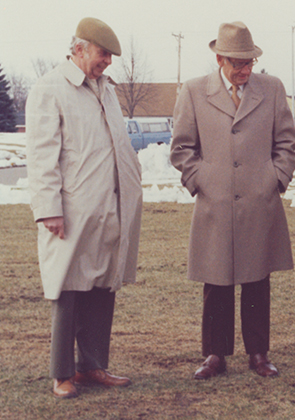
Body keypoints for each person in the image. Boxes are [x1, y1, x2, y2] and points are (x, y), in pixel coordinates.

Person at [170, 21, 295, 380]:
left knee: (258, 278)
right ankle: (215, 354)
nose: (245, 71)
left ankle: (258, 353)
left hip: (261, 202)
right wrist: (202, 180)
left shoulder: (272, 89)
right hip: (215, 203)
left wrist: (275, 179)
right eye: (238, 64)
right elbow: (181, 148)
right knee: (217, 279)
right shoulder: (194, 91)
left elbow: (287, 143)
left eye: (250, 63)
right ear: (219, 58)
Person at [25, 17, 143, 399]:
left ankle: (92, 365)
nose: (107, 61)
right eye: (102, 53)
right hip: (73, 210)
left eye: (109, 56)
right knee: (69, 288)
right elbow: (42, 156)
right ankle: (62, 374)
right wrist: (48, 208)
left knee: (102, 285)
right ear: (79, 49)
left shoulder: (105, 90)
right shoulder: (50, 88)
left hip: (110, 207)